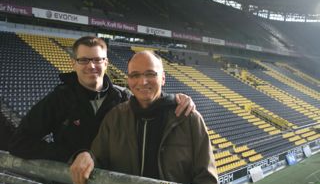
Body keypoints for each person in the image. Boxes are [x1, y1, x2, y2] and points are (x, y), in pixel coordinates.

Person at [8, 36, 195, 162]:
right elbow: (20, 142)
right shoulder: (59, 99)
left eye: (98, 60)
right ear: (73, 63)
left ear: (106, 63)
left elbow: (153, 103)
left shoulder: (124, 97)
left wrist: (176, 99)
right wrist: (72, 155)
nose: (91, 66)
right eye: (84, 60)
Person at [70, 51, 218, 184]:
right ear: (128, 80)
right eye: (135, 75)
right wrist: (87, 156)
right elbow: (98, 159)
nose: (143, 82)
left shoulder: (188, 118)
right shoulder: (115, 117)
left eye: (150, 74)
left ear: (163, 78)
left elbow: (207, 179)